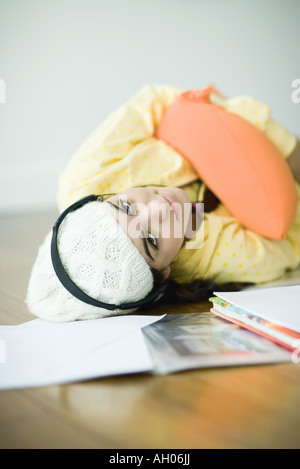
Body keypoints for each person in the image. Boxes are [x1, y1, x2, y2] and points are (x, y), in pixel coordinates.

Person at [26, 84, 300, 322]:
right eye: (151, 240)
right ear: (164, 273)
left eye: (126, 207)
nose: (160, 208)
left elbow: (157, 99)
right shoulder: (203, 256)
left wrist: (272, 140)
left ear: (105, 197)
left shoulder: (88, 174)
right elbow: (292, 243)